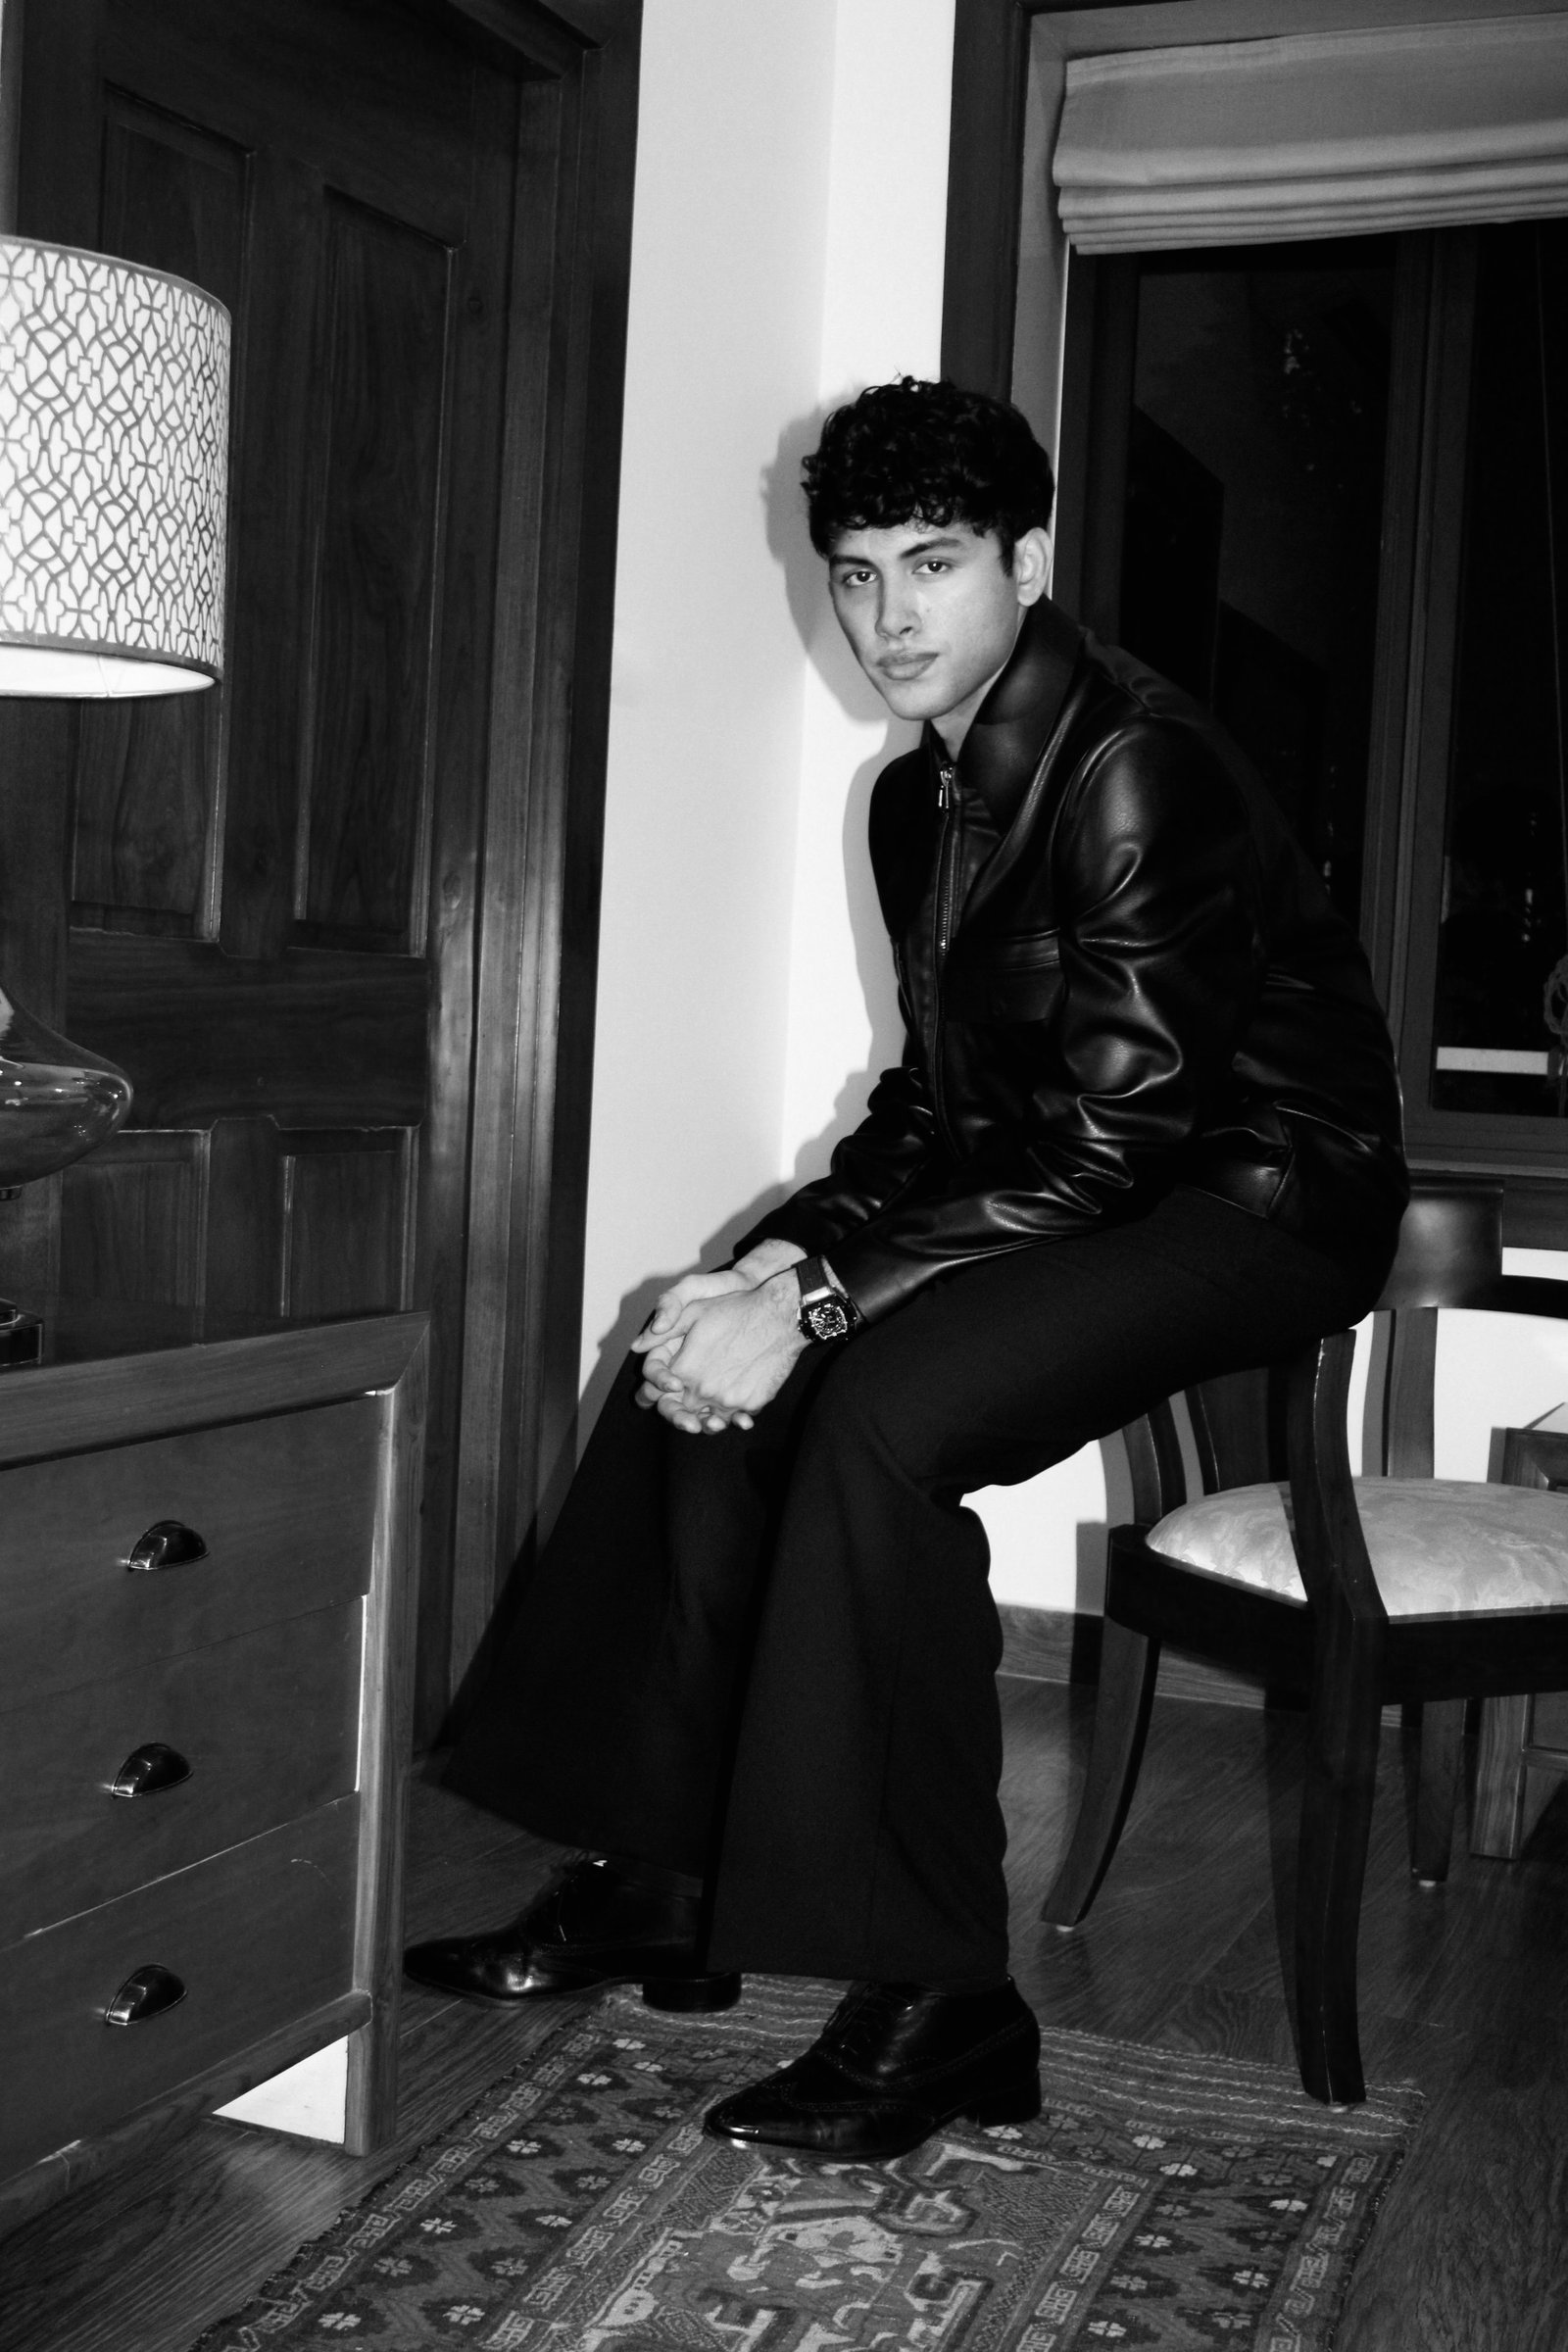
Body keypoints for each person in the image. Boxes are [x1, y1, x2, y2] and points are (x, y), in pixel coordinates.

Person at [407, 376, 1408, 2161]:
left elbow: (1116, 1143)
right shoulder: (912, 801)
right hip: (1084, 1176)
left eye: (932, 564)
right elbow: (939, 1107)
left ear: (1027, 560)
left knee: (878, 1412)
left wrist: (819, 1306)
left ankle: (950, 2002)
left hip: (1253, 1202)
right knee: (692, 1341)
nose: (886, 617)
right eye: (857, 574)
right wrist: (773, 1271)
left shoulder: (1138, 770)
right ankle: (666, 1875)